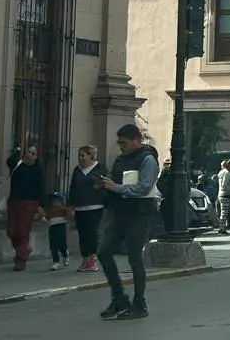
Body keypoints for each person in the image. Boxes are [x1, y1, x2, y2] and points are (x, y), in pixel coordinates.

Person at [96, 124, 161, 320]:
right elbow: (116, 183)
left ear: (136, 140)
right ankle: (119, 298)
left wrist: (117, 188)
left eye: (124, 143)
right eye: (119, 142)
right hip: (118, 213)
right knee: (104, 252)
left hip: (138, 215)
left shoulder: (148, 160)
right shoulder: (121, 159)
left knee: (134, 258)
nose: (121, 146)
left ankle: (139, 304)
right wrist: (104, 185)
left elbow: (144, 187)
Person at [68, 144, 109, 273]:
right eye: (79, 156)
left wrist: (99, 188)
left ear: (91, 156)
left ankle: (93, 259)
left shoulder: (100, 169)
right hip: (80, 207)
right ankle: (85, 260)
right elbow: (73, 189)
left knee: (92, 234)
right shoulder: (77, 170)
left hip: (95, 206)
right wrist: (71, 206)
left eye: (83, 155)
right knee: (82, 234)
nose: (80, 158)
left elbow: (105, 185)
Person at [5, 146, 45, 271]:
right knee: (12, 231)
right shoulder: (17, 165)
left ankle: (20, 260)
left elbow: (40, 188)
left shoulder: (37, 170)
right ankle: (25, 248)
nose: (30, 155)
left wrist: (40, 206)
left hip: (29, 202)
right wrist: (17, 151)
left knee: (23, 231)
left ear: (36, 157)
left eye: (33, 153)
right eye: (29, 152)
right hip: (14, 201)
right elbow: (9, 161)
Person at [44, 192, 71, 270]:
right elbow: (46, 219)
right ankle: (56, 262)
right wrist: (41, 217)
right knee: (53, 246)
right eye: (53, 200)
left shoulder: (64, 210)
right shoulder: (49, 211)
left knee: (62, 244)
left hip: (61, 228)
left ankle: (65, 255)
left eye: (57, 200)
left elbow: (69, 216)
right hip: (52, 229)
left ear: (61, 201)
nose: (55, 202)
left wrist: (69, 217)